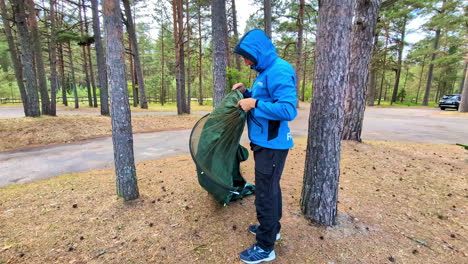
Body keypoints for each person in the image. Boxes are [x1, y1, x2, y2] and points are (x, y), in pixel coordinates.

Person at [232, 29, 297, 264]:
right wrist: (246, 93)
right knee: (270, 189)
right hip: (264, 143)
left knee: (265, 195)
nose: (246, 61)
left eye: (248, 56)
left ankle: (265, 247)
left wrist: (255, 102)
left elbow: (288, 110)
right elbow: (267, 100)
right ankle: (271, 229)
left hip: (272, 145)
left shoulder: (279, 69)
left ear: (258, 53)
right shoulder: (265, 72)